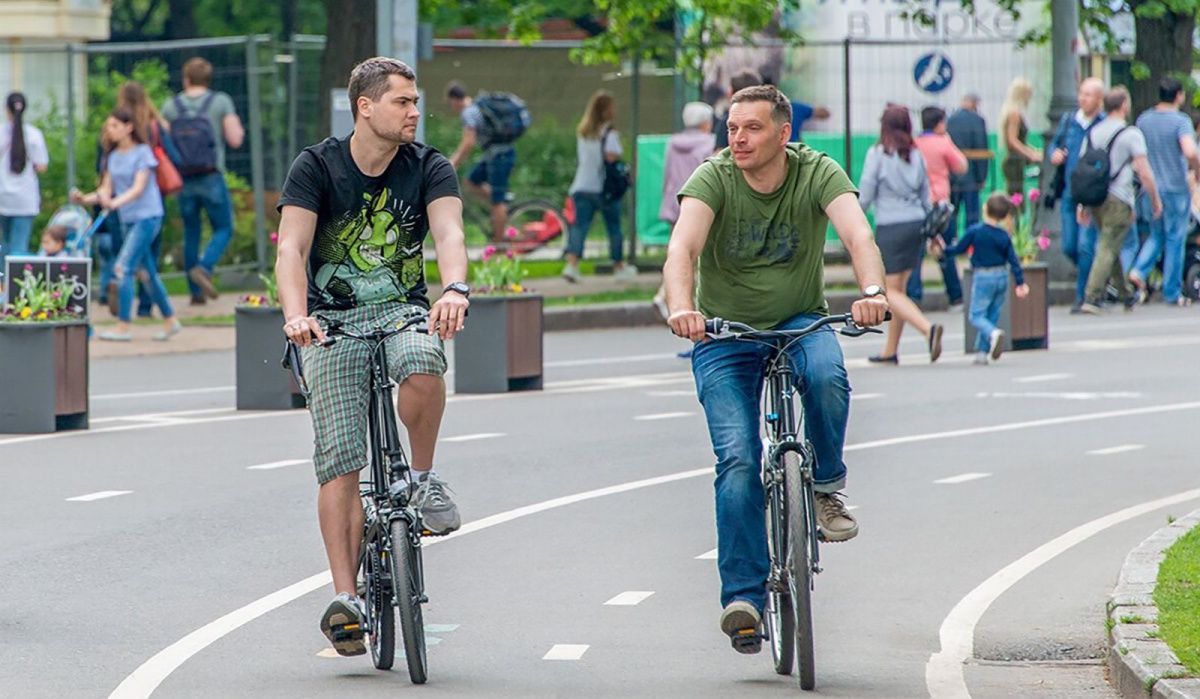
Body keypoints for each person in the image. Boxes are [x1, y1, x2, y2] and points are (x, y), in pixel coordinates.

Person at [662, 84, 889, 653]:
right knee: (738, 457)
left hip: (798, 322)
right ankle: (743, 598)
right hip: (724, 333)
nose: (738, 138)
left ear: (783, 134)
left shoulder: (816, 172)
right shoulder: (714, 177)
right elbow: (682, 250)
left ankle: (825, 490)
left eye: (752, 128)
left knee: (827, 377)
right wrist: (684, 308)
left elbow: (858, 232)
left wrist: (872, 292)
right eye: (732, 128)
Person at [275, 57, 469, 657]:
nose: (415, 112)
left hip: (403, 310)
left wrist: (455, 289)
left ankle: (424, 478)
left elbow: (449, 237)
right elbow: (292, 248)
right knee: (339, 460)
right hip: (328, 323)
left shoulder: (428, 166)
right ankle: (348, 600)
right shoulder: (316, 166)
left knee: (425, 359)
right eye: (403, 102)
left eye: (416, 102)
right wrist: (296, 313)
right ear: (366, 106)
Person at [71, 109, 181, 342]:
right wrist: (85, 198)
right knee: (146, 273)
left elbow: (139, 188)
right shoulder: (112, 157)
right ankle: (171, 320)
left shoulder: (143, 153)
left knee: (123, 268)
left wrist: (114, 203)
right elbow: (106, 190)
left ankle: (123, 325)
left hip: (148, 217)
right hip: (128, 219)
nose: (109, 131)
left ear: (128, 127)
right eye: (108, 127)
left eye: (114, 126)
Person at [859, 105, 944, 364]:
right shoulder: (915, 154)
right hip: (916, 225)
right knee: (900, 289)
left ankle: (928, 330)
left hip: (891, 226)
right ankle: (890, 350)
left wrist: (853, 221)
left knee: (887, 292)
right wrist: (932, 232)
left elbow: (866, 192)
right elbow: (925, 194)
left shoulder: (878, 154)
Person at [161, 57, 245, 305]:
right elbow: (235, 139)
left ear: (186, 79)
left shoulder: (171, 105)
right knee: (224, 227)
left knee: (191, 232)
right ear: (208, 79)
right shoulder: (220, 102)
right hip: (211, 175)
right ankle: (205, 268)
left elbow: (164, 142)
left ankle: (195, 294)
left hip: (184, 179)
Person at [1079, 87, 1162, 314]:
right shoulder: (1130, 133)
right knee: (1108, 246)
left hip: (1096, 197)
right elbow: (1143, 171)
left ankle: (1125, 294)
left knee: (1111, 244)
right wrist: (1154, 199)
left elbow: (1084, 169)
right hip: (1120, 197)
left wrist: (1082, 204)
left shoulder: (1093, 132)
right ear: (1124, 105)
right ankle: (1092, 296)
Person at [1129, 77, 1200, 307]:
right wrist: (1197, 170)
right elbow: (1189, 151)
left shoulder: (1144, 120)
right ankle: (1172, 291)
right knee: (1175, 238)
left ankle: (1139, 271)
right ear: (1179, 95)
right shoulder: (1181, 121)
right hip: (1176, 187)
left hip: (1150, 188)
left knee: (1156, 234)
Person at [936, 193, 1029, 365]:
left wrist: (943, 250)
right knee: (992, 313)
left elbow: (958, 249)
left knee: (976, 315)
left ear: (985, 208)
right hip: (1002, 275)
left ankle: (993, 334)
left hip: (983, 276)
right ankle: (982, 352)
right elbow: (1014, 261)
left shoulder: (976, 231)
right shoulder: (1004, 235)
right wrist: (1020, 282)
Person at [562, 90, 636, 282]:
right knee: (614, 227)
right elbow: (612, 156)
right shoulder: (609, 133)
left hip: (581, 184)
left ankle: (572, 265)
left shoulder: (583, 132)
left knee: (579, 227)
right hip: (604, 188)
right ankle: (619, 266)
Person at [118, 81, 175, 318]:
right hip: (154, 197)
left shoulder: (121, 125)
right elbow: (173, 153)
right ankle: (148, 306)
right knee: (148, 256)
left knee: (130, 260)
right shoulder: (155, 125)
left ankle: (126, 317)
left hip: (128, 199)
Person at [1048, 78, 1105, 312]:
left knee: (1085, 245)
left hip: (1091, 192)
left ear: (1099, 99)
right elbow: (1055, 145)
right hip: (1070, 190)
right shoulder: (1069, 121)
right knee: (1069, 245)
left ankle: (1083, 296)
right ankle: (1093, 275)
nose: (1083, 99)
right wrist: (1055, 154)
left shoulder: (1102, 124)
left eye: (1089, 95)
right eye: (1081, 93)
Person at [655, 101, 715, 322]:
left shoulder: (673, 143)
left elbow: (668, 174)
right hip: (700, 204)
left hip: (674, 202)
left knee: (678, 252)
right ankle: (675, 299)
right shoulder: (708, 144)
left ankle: (666, 294)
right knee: (697, 256)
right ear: (706, 123)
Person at [445, 81, 521, 242]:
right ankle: (500, 209)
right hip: (497, 154)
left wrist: (452, 163)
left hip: (500, 156)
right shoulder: (476, 106)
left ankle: (499, 246)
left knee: (496, 201)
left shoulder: (468, 113)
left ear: (454, 100)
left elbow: (468, 142)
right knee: (471, 181)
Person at [908, 105, 968, 306]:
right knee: (945, 249)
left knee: (916, 252)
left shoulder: (913, 144)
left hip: (918, 204)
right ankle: (955, 295)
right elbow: (961, 165)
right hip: (940, 204)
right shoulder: (943, 142)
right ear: (939, 123)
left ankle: (914, 296)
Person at [0, 92, 48, 290]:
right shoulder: (34, 135)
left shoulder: (1, 132)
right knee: (19, 248)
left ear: (6, 110)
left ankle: (3, 289)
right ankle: (17, 289)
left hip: (2, 197)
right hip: (25, 200)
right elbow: (42, 166)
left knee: (5, 246)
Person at [1000, 77, 1042, 199]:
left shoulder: (1010, 112)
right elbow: (1013, 140)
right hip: (1015, 162)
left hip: (1014, 160)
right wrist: (1031, 154)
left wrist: (1033, 151)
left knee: (1015, 197)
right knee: (1015, 199)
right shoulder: (1015, 114)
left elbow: (1018, 141)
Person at [713, 70, 763, 152]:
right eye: (733, 129)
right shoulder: (767, 118)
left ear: (732, 94)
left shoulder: (727, 121)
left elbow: (719, 154)